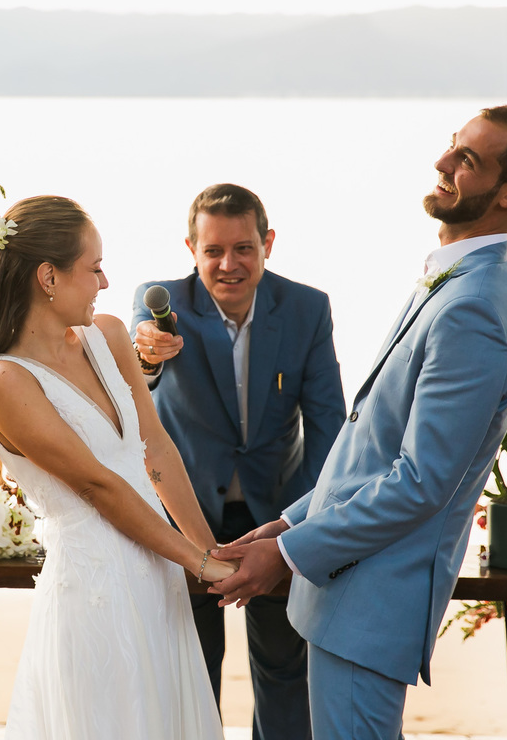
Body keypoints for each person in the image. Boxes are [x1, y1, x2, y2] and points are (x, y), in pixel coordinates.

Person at [209, 106, 507, 739]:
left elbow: (421, 482)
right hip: (347, 591)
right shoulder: (454, 280)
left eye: (468, 160)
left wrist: (288, 554)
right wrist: (291, 518)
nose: (443, 163)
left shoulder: (474, 305)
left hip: (369, 601)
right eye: (453, 147)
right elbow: (372, 445)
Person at [0, 195, 233, 740]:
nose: (105, 283)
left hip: (158, 579)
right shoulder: (6, 382)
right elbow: (99, 486)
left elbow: (156, 450)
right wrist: (197, 562)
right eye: (94, 268)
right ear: (48, 277)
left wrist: (209, 551)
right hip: (93, 592)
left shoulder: (108, 336)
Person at [131, 183, 346, 740]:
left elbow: (329, 427)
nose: (229, 264)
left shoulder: (307, 308)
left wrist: (304, 523)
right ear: (191, 248)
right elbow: (141, 369)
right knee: (191, 670)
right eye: (213, 251)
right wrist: (147, 355)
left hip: (277, 516)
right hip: (184, 520)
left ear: (267, 243)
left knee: (283, 667)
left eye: (244, 248)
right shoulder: (161, 304)